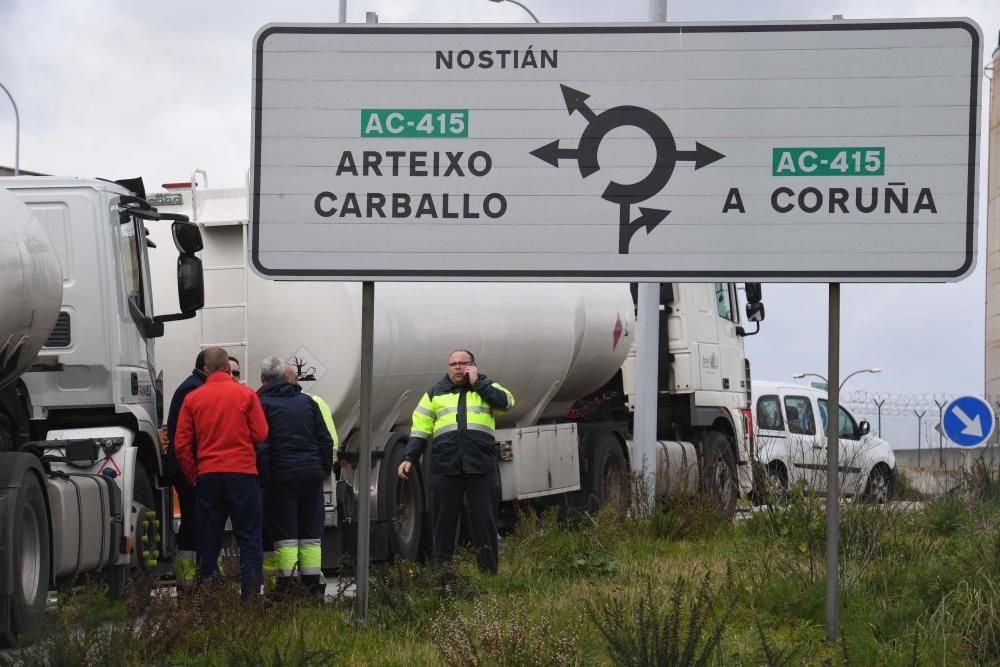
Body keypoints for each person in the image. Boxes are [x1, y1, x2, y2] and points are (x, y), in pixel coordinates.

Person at [397, 350, 514, 574]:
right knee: (443, 526)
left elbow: (506, 403)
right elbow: (420, 429)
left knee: (484, 524)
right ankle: (442, 577)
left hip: (480, 466)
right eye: (454, 364)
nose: (458, 368)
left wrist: (479, 384)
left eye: (463, 363)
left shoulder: (487, 387)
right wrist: (409, 458)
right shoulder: (434, 393)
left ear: (473, 366)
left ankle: (489, 575)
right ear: (448, 367)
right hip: (446, 467)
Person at [175, 347, 269, 600]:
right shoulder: (246, 395)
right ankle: (251, 598)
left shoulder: (193, 399)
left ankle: (209, 600)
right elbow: (261, 434)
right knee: (249, 538)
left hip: (208, 477)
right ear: (229, 368)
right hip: (243, 475)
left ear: (205, 369)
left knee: (209, 540)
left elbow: (181, 444)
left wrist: (193, 475)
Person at [258, 357, 333, 598]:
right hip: (311, 476)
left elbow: (262, 446)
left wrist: (266, 478)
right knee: (311, 535)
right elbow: (326, 440)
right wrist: (322, 470)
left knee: (286, 536)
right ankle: (313, 590)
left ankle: (287, 589)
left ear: (263, 380)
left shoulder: (262, 404)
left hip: (282, 478)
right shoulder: (307, 402)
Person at [164, 350, 207, 589]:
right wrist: (194, 472)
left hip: (183, 466)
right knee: (194, 523)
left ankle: (190, 581)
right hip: (186, 467)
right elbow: (186, 436)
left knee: (194, 523)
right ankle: (190, 582)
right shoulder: (193, 389)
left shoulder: (191, 385)